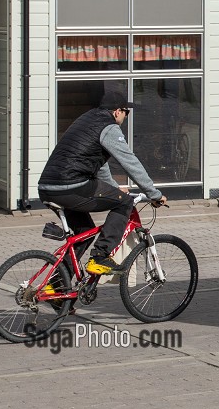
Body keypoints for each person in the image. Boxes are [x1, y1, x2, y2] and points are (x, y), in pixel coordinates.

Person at [37, 99, 167, 276]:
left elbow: (100, 165)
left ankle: (57, 288)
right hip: (71, 187)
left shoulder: (87, 120)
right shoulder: (109, 128)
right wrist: (153, 194)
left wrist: (113, 188)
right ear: (117, 111)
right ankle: (100, 256)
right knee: (124, 203)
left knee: (84, 232)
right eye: (126, 112)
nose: (126, 117)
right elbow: (130, 161)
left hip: (49, 188)